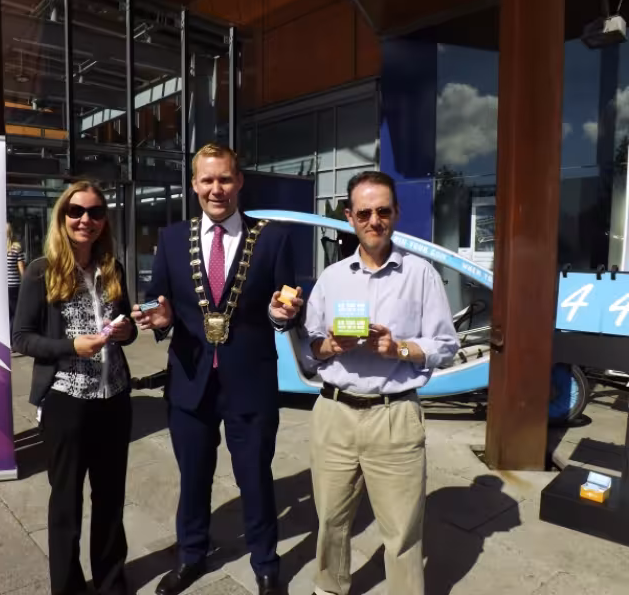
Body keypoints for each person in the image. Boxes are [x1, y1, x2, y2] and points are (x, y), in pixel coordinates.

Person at [131, 143, 303, 595]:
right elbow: (157, 299)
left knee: (255, 478)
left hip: (251, 381)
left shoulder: (273, 238)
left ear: (239, 181)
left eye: (225, 178)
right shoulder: (172, 239)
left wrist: (282, 316)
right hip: (190, 381)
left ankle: (266, 564)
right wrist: (159, 318)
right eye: (207, 180)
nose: (216, 189)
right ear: (194, 185)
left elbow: (287, 305)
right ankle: (191, 555)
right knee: (193, 477)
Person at [302, 170, 459, 595]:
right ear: (349, 217)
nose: (374, 221)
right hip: (334, 413)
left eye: (383, 211)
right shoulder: (332, 278)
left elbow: (447, 346)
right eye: (364, 213)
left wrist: (400, 349)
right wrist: (330, 345)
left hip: (394, 415)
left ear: (396, 214)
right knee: (330, 520)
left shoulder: (421, 275)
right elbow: (309, 349)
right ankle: (328, 588)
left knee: (402, 531)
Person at [12, 181, 137, 595]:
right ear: (62, 216)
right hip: (66, 401)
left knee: (110, 499)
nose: (86, 220)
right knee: (66, 503)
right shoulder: (40, 271)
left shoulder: (112, 268)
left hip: (114, 398)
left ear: (105, 220)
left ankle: (111, 582)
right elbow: (22, 338)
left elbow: (126, 325)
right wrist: (71, 347)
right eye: (77, 211)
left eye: (96, 212)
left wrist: (127, 331)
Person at [6, 223, 25, 339]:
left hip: (0, 287)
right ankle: (12, 338)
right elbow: (22, 269)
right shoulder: (16, 248)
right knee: (15, 313)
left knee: (6, 313)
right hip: (14, 286)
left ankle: (6, 338)